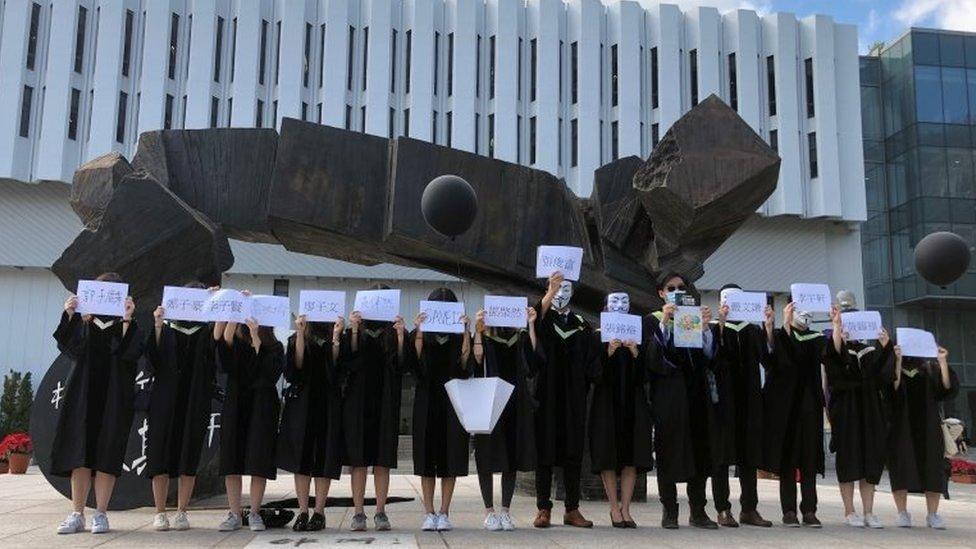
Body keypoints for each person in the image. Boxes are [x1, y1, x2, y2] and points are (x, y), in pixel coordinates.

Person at [52, 273, 142, 535]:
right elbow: (69, 349)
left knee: (107, 452)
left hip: (114, 396)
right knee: (79, 451)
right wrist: (70, 315)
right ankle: (77, 513)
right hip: (83, 394)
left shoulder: (127, 324)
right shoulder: (85, 321)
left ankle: (101, 513)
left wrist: (126, 319)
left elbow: (131, 355)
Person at [645, 273, 719, 530]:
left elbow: (709, 358)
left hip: (696, 394)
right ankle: (670, 511)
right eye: (671, 288)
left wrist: (707, 329)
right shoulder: (652, 320)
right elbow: (652, 360)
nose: (677, 290)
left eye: (681, 287)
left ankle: (698, 511)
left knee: (700, 450)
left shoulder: (694, 318)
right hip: (669, 395)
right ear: (661, 293)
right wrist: (665, 321)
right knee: (669, 450)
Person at [145, 283, 219, 532]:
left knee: (189, 453)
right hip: (165, 400)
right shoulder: (166, 328)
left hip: (194, 400)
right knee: (160, 454)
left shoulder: (205, 332)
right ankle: (160, 513)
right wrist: (157, 323)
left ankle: (182, 512)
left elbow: (216, 357)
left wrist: (219, 302)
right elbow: (153, 359)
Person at [340, 285, 408, 532]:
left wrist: (401, 336)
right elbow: (347, 360)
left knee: (381, 460)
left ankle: (380, 511)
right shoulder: (354, 330)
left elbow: (402, 364)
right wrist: (355, 330)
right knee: (358, 460)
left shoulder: (393, 331)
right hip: (358, 403)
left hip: (385, 401)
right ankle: (358, 513)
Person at [532, 272, 595, 529]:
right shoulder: (542, 319)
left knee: (573, 453)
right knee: (544, 452)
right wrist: (549, 290)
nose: (560, 292)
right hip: (546, 394)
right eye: (556, 288)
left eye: (565, 288)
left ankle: (572, 508)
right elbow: (536, 322)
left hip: (574, 397)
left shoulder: (582, 325)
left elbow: (591, 363)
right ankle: (543, 508)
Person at [823, 298, 893, 529]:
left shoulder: (870, 351)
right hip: (847, 413)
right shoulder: (837, 348)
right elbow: (834, 366)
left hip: (870, 411)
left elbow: (883, 378)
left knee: (869, 461)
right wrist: (836, 328)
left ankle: (869, 512)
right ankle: (849, 511)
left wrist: (885, 346)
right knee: (848, 460)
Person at [471, 305, 541, 531]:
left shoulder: (519, 337)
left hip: (514, 403)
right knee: (486, 457)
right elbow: (477, 359)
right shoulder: (486, 336)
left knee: (511, 457)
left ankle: (505, 511)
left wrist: (530, 323)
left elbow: (533, 363)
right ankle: (489, 512)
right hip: (489, 403)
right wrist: (479, 330)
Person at [711, 284, 774, 527]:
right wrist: (721, 324)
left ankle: (749, 508)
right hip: (723, 400)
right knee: (722, 456)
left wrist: (768, 327)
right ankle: (722, 509)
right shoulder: (718, 329)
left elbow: (768, 361)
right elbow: (713, 358)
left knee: (749, 455)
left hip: (749, 399)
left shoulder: (753, 329)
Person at [215, 310, 284, 532]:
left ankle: (254, 513)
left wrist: (256, 338)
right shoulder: (237, 343)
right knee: (231, 459)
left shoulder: (275, 347)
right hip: (236, 403)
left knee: (258, 459)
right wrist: (234, 311)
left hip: (262, 406)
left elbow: (269, 373)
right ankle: (234, 513)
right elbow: (224, 348)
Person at [275, 314, 345, 531]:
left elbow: (337, 371)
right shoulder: (298, 337)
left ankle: (319, 512)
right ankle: (303, 510)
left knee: (324, 456)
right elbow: (295, 368)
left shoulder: (336, 338)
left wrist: (336, 337)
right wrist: (300, 333)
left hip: (328, 404)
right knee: (302, 457)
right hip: (302, 404)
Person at [589, 292, 653, 529]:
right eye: (613, 303)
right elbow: (593, 374)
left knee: (631, 455)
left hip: (633, 402)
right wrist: (608, 353)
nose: (619, 306)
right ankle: (613, 507)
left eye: (624, 302)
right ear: (605, 308)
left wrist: (636, 353)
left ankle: (626, 508)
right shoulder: (598, 337)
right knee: (608, 454)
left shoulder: (636, 336)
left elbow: (645, 375)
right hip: (607, 403)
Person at [410, 288, 471, 531]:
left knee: (450, 458)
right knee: (427, 459)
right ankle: (429, 512)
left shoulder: (457, 336)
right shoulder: (422, 333)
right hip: (427, 401)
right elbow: (414, 364)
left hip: (453, 402)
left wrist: (467, 331)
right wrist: (419, 331)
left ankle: (444, 512)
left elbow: (466, 365)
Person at [763, 302, 827, 527]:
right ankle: (789, 510)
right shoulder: (781, 335)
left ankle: (809, 510)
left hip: (809, 405)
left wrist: (837, 327)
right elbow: (774, 361)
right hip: (785, 408)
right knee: (787, 459)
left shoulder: (817, 338)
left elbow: (831, 358)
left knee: (809, 458)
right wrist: (776, 326)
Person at [886, 344, 959, 529]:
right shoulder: (896, 367)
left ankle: (932, 514)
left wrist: (942, 361)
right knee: (900, 467)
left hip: (928, 426)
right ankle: (902, 513)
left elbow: (946, 389)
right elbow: (891, 390)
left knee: (932, 468)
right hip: (901, 427)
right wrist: (897, 360)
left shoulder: (930, 368)